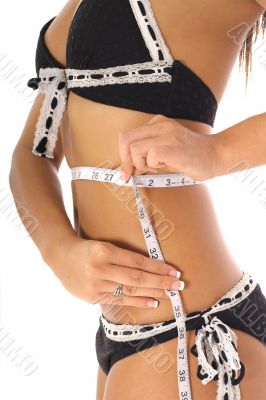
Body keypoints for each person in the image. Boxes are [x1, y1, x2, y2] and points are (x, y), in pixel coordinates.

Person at [9, 0, 266, 399]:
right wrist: (58, 249)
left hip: (193, 329)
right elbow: (33, 153)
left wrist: (218, 153)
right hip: (124, 332)